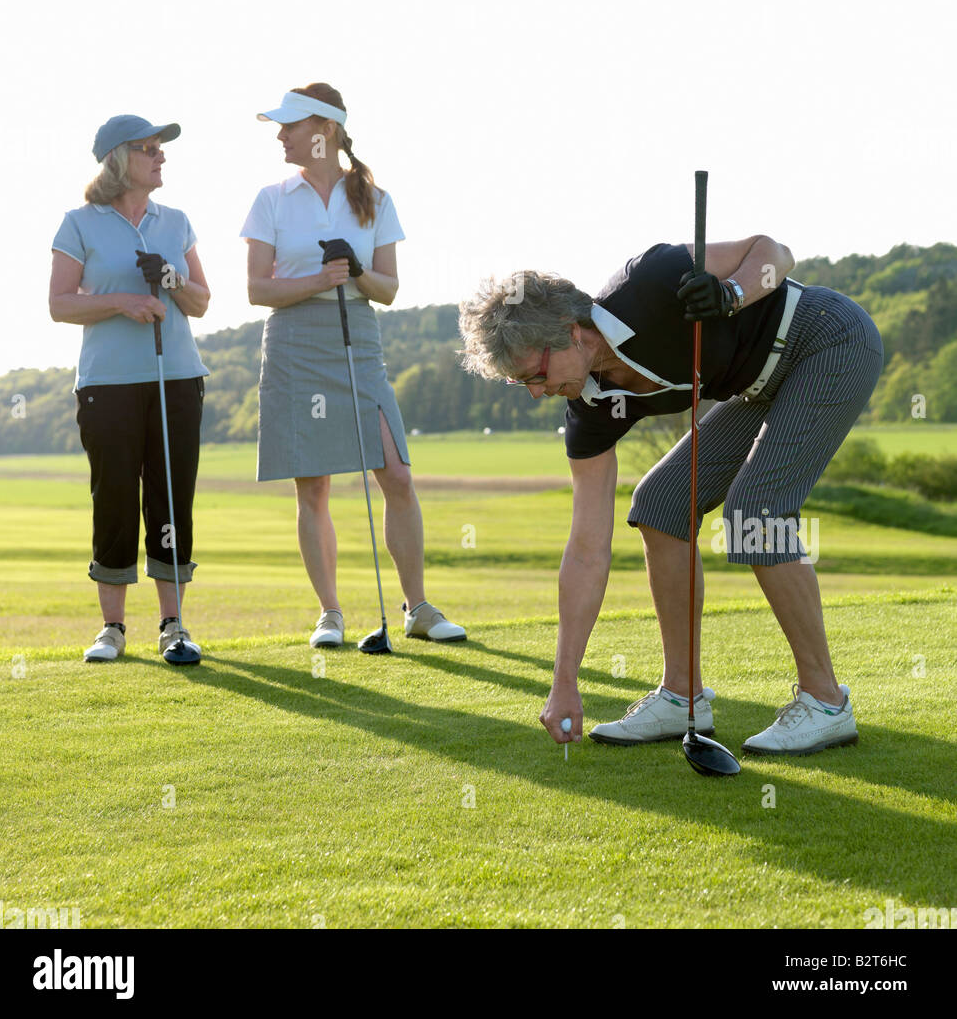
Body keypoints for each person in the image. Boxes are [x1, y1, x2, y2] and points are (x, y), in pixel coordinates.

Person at [459, 237, 883, 756]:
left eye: (535, 374)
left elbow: (775, 252)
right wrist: (564, 680)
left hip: (827, 339)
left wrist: (729, 294)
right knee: (659, 505)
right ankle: (683, 695)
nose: (534, 392)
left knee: (756, 510)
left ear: (570, 334)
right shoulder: (590, 410)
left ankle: (826, 702)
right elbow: (587, 548)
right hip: (759, 385)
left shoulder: (651, 281)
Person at [241, 82, 465, 648]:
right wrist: (319, 279)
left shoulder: (375, 198)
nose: (281, 135)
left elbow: (388, 288)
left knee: (395, 472)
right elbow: (256, 289)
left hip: (357, 337)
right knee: (313, 484)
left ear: (325, 131)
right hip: (294, 340)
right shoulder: (271, 198)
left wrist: (354, 270)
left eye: (290, 126)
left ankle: (416, 607)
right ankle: (331, 614)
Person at [49, 115, 211, 663]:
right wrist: (123, 301)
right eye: (150, 149)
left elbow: (200, 301)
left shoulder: (177, 220)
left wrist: (170, 278)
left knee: (170, 499)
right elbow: (60, 304)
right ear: (120, 159)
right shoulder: (79, 223)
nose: (161, 157)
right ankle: (113, 629)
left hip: (178, 377)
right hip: (108, 384)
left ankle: (173, 625)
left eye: (162, 150)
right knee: (114, 498)